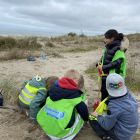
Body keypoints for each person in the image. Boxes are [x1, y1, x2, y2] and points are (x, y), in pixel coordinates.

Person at [37, 69, 89, 140]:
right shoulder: (75, 96)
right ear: (75, 80)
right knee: (82, 107)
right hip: (61, 133)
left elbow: (43, 103)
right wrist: (86, 119)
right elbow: (84, 113)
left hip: (46, 127)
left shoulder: (52, 89)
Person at [89, 73, 138, 140]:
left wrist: (97, 116)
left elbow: (107, 126)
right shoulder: (128, 95)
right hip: (130, 131)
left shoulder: (114, 106)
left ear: (107, 87)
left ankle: (106, 137)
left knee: (92, 118)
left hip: (120, 136)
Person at [96, 29, 129, 101]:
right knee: (103, 91)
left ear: (112, 38)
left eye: (106, 38)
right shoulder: (108, 47)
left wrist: (103, 67)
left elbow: (117, 63)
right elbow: (104, 58)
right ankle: (103, 107)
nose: (104, 40)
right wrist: (99, 64)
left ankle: (112, 108)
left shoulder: (120, 49)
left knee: (112, 93)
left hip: (114, 77)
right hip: (104, 74)